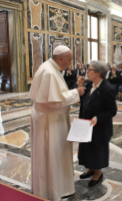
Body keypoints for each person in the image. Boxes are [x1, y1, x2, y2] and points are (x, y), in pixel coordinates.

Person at [29, 46, 86, 201]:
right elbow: (54, 102)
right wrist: (77, 93)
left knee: (53, 154)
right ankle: (51, 190)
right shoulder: (48, 71)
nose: (69, 64)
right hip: (50, 122)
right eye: (68, 61)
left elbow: (57, 94)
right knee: (51, 154)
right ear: (60, 58)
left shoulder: (50, 67)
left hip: (51, 118)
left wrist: (74, 88)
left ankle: (58, 186)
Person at [77, 61, 117, 187]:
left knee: (97, 150)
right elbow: (84, 102)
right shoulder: (89, 85)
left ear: (98, 73)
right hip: (87, 125)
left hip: (99, 127)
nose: (87, 72)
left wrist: (98, 117)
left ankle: (98, 173)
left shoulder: (107, 89)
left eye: (90, 69)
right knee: (88, 150)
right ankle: (91, 168)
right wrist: (79, 87)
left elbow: (112, 110)